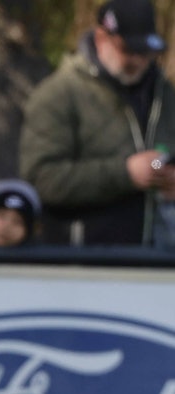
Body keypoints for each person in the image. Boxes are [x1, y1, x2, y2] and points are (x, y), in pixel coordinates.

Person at [19, 0, 175, 247]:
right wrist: (125, 174)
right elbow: (42, 178)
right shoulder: (59, 94)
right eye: (128, 50)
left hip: (157, 257)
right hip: (84, 258)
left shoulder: (164, 94)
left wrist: (162, 173)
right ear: (102, 38)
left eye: (145, 52)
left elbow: (157, 158)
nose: (137, 61)